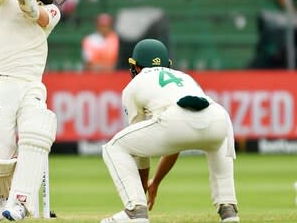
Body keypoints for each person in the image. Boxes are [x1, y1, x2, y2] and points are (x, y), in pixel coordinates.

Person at [100, 39, 239, 223]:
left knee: (114, 147)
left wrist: (140, 194)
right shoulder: (185, 77)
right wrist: (155, 181)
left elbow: (140, 154)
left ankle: (135, 211)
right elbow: (178, 140)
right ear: (168, 64)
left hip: (176, 120)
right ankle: (228, 210)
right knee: (218, 142)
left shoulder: (134, 85)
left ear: (137, 66)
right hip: (219, 118)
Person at [0, 0, 71, 221]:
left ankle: (20, 202)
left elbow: (37, 16)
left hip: (31, 82)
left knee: (38, 132)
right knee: (1, 155)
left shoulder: (54, 11)